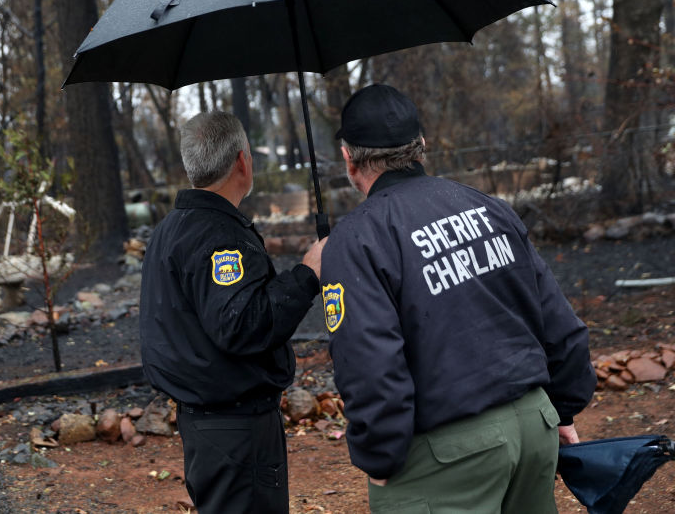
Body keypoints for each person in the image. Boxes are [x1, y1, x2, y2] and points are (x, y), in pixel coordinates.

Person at [319, 84, 597, 513]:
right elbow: (560, 325)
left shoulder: (358, 239)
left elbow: (369, 361)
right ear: (421, 147)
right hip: (534, 428)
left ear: (348, 158)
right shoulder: (489, 208)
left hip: (446, 455)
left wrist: (379, 452)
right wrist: (561, 409)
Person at [140, 111, 327, 514]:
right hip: (236, 431)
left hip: (203, 425)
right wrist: (308, 274)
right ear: (243, 161)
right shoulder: (220, 236)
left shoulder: (170, 229)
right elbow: (243, 325)